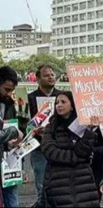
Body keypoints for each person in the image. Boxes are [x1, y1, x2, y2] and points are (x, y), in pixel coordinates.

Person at [41, 91, 100, 207]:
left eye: (63, 102)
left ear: (73, 105)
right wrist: (74, 157)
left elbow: (85, 152)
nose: (59, 105)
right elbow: (49, 151)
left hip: (83, 183)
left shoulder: (84, 126)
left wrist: (90, 133)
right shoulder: (50, 127)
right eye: (57, 102)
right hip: (58, 183)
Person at [28, 64, 61, 207]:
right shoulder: (29, 99)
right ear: (38, 79)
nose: (51, 77)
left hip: (59, 147)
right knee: (42, 187)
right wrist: (34, 130)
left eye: (52, 75)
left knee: (59, 187)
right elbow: (24, 124)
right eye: (47, 75)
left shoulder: (63, 97)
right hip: (38, 148)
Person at [0, 66, 24, 208]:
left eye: (11, 90)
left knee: (12, 198)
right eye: (6, 89)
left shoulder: (9, 104)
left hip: (9, 159)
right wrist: (14, 132)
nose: (9, 94)